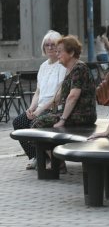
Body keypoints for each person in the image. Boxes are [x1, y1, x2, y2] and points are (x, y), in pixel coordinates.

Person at [32, 35, 98, 173]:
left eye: (60, 51)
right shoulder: (71, 69)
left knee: (38, 124)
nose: (57, 54)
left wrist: (62, 119)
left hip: (81, 114)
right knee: (38, 121)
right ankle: (56, 160)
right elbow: (60, 95)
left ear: (72, 53)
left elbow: (73, 96)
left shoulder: (79, 68)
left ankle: (57, 162)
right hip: (73, 113)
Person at [12, 30, 67, 170]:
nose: (49, 47)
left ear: (59, 46)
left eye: (53, 44)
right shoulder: (43, 66)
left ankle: (54, 159)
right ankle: (36, 156)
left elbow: (58, 96)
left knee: (35, 123)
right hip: (40, 107)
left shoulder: (62, 66)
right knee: (19, 122)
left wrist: (40, 110)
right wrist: (32, 108)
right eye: (47, 45)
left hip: (54, 108)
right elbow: (38, 92)